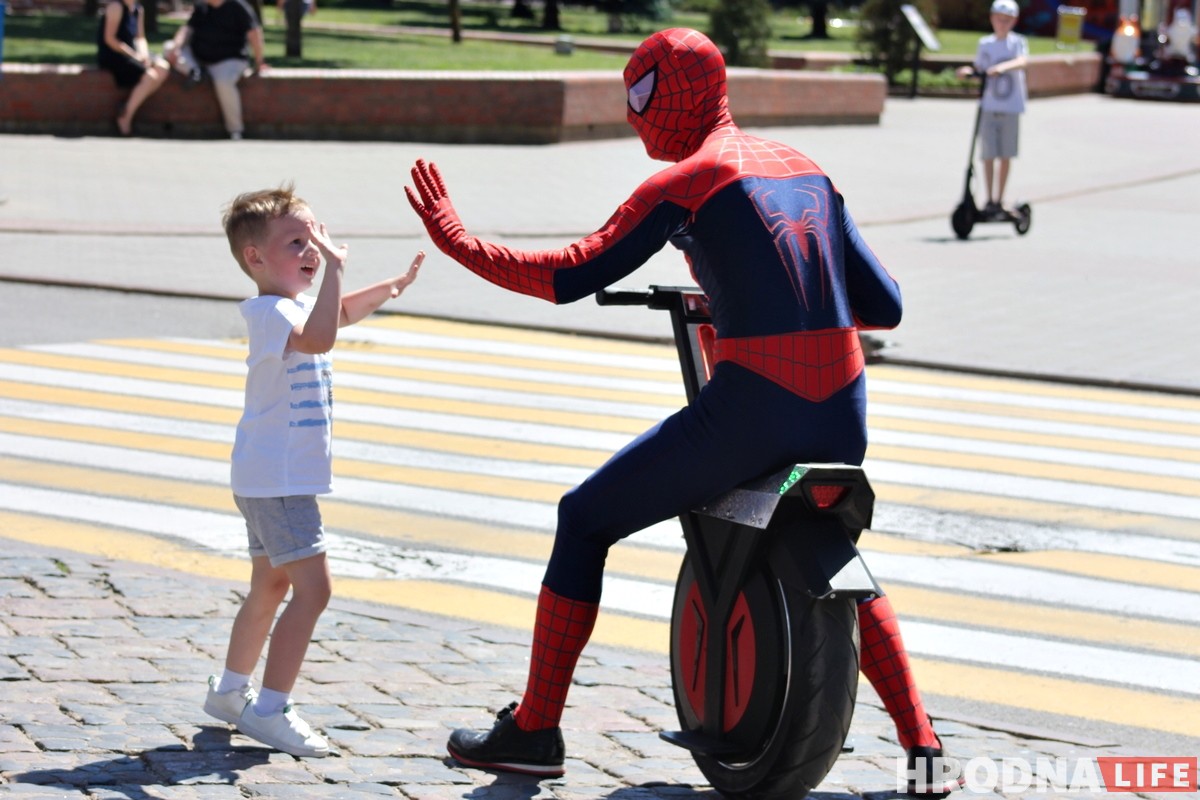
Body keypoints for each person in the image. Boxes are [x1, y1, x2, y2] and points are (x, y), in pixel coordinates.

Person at [405, 27, 960, 797]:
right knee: (833, 549)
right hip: (844, 410)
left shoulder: (687, 182)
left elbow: (569, 274)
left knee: (584, 517)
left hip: (755, 407)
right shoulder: (809, 170)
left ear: (672, 95)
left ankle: (534, 730)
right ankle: (924, 748)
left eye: (639, 95)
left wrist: (460, 242)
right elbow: (883, 306)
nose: (633, 117)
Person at [203, 184, 422, 757]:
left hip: (263, 476)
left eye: (315, 238)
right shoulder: (272, 310)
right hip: (279, 482)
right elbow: (323, 335)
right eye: (297, 242)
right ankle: (270, 708)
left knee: (270, 584)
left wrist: (390, 287)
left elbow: (339, 316)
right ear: (254, 258)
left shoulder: (290, 306)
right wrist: (337, 271)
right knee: (313, 590)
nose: (313, 250)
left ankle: (229, 692)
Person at [957, 0, 1028, 218]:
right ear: (992, 19)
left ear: (1013, 22)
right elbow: (980, 67)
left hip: (1010, 107)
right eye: (999, 19)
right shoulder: (985, 43)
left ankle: (1000, 198)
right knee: (988, 154)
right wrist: (968, 71)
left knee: (1005, 154)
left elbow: (1023, 61)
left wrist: (1002, 68)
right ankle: (989, 199)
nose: (1002, 24)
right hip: (988, 106)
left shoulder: (1017, 43)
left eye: (1007, 21)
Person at [164, 0, 267, 140]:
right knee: (168, 48)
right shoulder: (202, 7)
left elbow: (254, 33)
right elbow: (187, 29)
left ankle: (235, 130)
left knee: (223, 82)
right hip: (199, 59)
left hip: (229, 60)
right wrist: (177, 46)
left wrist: (259, 61)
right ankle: (195, 71)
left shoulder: (238, 6)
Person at [96, 0, 170, 136]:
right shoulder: (115, 7)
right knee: (150, 76)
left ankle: (127, 106)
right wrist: (135, 56)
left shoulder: (138, 10)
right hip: (114, 55)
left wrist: (144, 54)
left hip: (133, 52)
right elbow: (110, 39)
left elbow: (140, 38)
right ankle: (125, 116)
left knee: (163, 68)